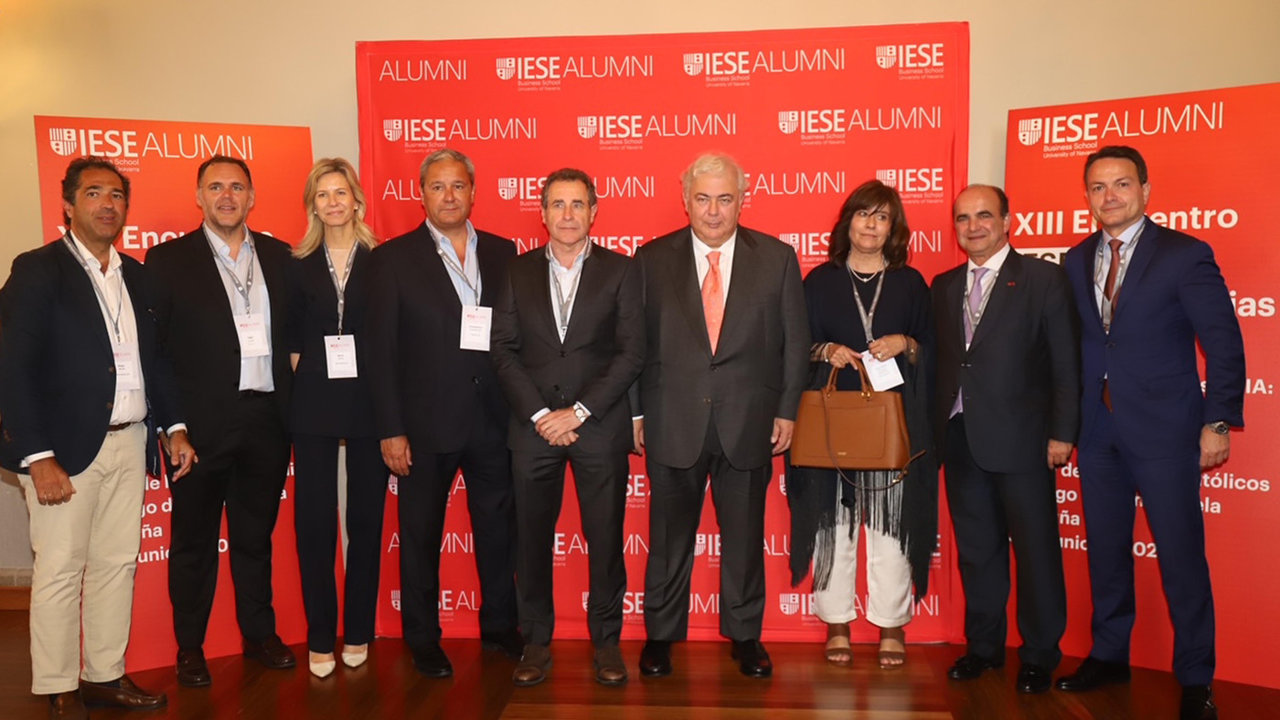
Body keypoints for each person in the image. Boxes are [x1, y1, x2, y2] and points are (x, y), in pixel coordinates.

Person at [0, 157, 196, 719]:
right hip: (63, 452)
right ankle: (58, 684)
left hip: (131, 442)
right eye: (93, 193)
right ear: (68, 204)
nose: (107, 204)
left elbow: (155, 362)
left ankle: (104, 676)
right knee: (61, 568)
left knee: (117, 563)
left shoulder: (139, 276)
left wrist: (175, 427)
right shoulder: (38, 270)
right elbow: (13, 369)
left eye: (116, 195)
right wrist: (37, 456)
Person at [1056, 146, 1244, 720]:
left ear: (1145, 189)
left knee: (1182, 555)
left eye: (1120, 184)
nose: (1109, 196)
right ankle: (1110, 653)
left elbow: (1225, 343)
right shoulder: (1074, 258)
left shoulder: (1185, 254)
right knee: (1106, 553)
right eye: (1097, 187)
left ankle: (1196, 676)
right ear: (1086, 195)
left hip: (1167, 429)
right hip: (1098, 429)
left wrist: (1216, 421)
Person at [634, 153, 809, 679]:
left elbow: (795, 344)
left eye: (725, 198)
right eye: (703, 198)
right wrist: (637, 413)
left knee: (744, 539)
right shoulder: (650, 259)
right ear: (684, 199)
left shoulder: (776, 259)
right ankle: (661, 637)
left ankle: (746, 637)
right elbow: (634, 346)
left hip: (750, 422)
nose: (713, 211)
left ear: (742, 200)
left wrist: (786, 411)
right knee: (667, 541)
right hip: (671, 420)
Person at [366, 148, 522, 678]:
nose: (449, 196)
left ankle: (501, 626)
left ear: (473, 192)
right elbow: (380, 353)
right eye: (438, 187)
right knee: (420, 534)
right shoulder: (392, 259)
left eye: (458, 186)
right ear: (422, 193)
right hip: (424, 423)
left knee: (499, 533)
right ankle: (423, 637)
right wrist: (390, 428)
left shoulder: (506, 253)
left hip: (495, 420)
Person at [146, 155, 297, 686]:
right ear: (199, 197)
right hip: (201, 427)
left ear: (252, 197)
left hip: (268, 419)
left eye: (237, 187)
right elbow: (156, 355)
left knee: (256, 537)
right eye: (216, 187)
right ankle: (190, 647)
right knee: (193, 540)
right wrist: (174, 425)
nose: (227, 196)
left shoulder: (282, 257)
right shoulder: (166, 261)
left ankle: (259, 635)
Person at [490, 168, 644, 687]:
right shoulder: (515, 272)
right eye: (558, 204)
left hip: (597, 428)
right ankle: (535, 642)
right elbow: (503, 350)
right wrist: (540, 416)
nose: (568, 215)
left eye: (578, 204)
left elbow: (630, 354)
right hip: (532, 430)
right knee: (531, 541)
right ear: (542, 211)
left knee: (604, 540)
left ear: (594, 211)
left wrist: (578, 413)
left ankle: (606, 643)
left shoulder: (622, 272)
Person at [932, 184, 1078, 694]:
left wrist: (1063, 433)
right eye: (963, 218)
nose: (973, 226)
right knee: (978, 551)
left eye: (984, 216)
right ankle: (984, 648)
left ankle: (1039, 654)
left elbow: (1065, 362)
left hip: (1024, 442)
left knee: (1036, 551)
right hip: (961, 438)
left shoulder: (1042, 278)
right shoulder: (944, 285)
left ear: (1008, 220)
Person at [786, 179, 937, 670]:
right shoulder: (819, 281)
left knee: (893, 527)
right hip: (833, 421)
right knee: (834, 525)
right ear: (847, 220)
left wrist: (906, 345)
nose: (871, 225)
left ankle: (892, 626)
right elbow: (794, 347)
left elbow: (935, 351)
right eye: (863, 214)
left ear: (893, 228)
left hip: (894, 422)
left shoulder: (911, 283)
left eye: (882, 217)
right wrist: (824, 350)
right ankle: (837, 623)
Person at [286, 158, 388, 678]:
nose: (332, 202)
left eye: (340, 193)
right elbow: (289, 335)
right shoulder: (295, 262)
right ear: (313, 206)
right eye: (322, 195)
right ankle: (320, 635)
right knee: (315, 524)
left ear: (357, 201)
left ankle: (360, 629)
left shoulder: (383, 259)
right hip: (315, 403)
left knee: (366, 522)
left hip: (372, 401)